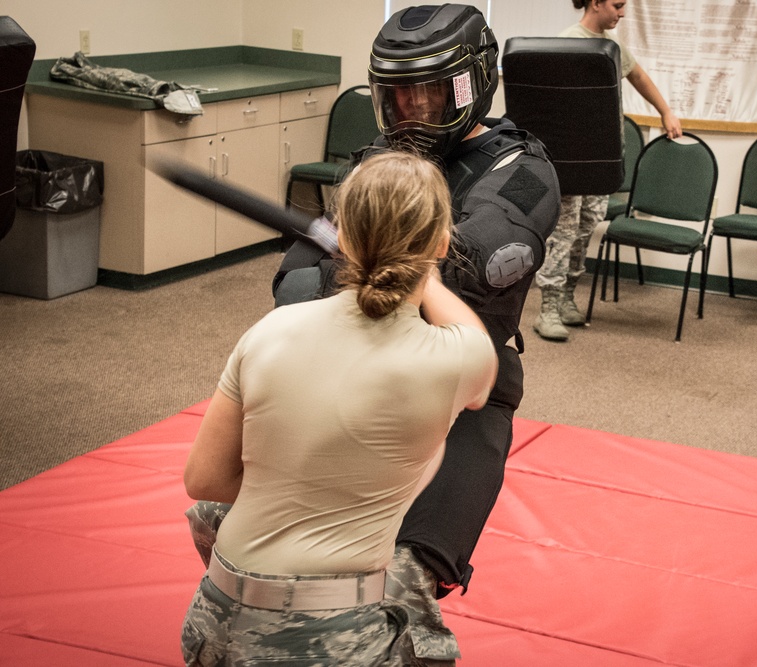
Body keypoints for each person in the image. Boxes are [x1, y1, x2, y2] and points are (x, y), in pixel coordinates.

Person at [187, 5, 560, 665]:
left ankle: (403, 604)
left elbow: (476, 265)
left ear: (474, 84)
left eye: (431, 92)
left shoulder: (519, 169)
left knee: (410, 574)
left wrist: (360, 253)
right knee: (212, 511)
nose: (413, 111)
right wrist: (377, 263)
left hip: (446, 383)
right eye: (399, 96)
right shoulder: (380, 159)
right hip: (352, 357)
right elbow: (298, 281)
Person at [180, 151, 498, 666]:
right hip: (328, 635)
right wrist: (426, 276)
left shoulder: (271, 331)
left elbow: (205, 481)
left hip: (214, 621)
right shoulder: (460, 359)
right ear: (441, 242)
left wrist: (292, 481)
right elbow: (474, 342)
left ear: (343, 237)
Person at [533, 0, 683, 341]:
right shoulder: (568, 42)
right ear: (596, 2)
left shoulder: (611, 46)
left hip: (602, 157)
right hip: (572, 157)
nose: (623, 12)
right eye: (617, 4)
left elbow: (638, 76)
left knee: (586, 228)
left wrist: (666, 112)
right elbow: (551, 102)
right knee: (563, 234)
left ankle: (568, 297)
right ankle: (548, 309)